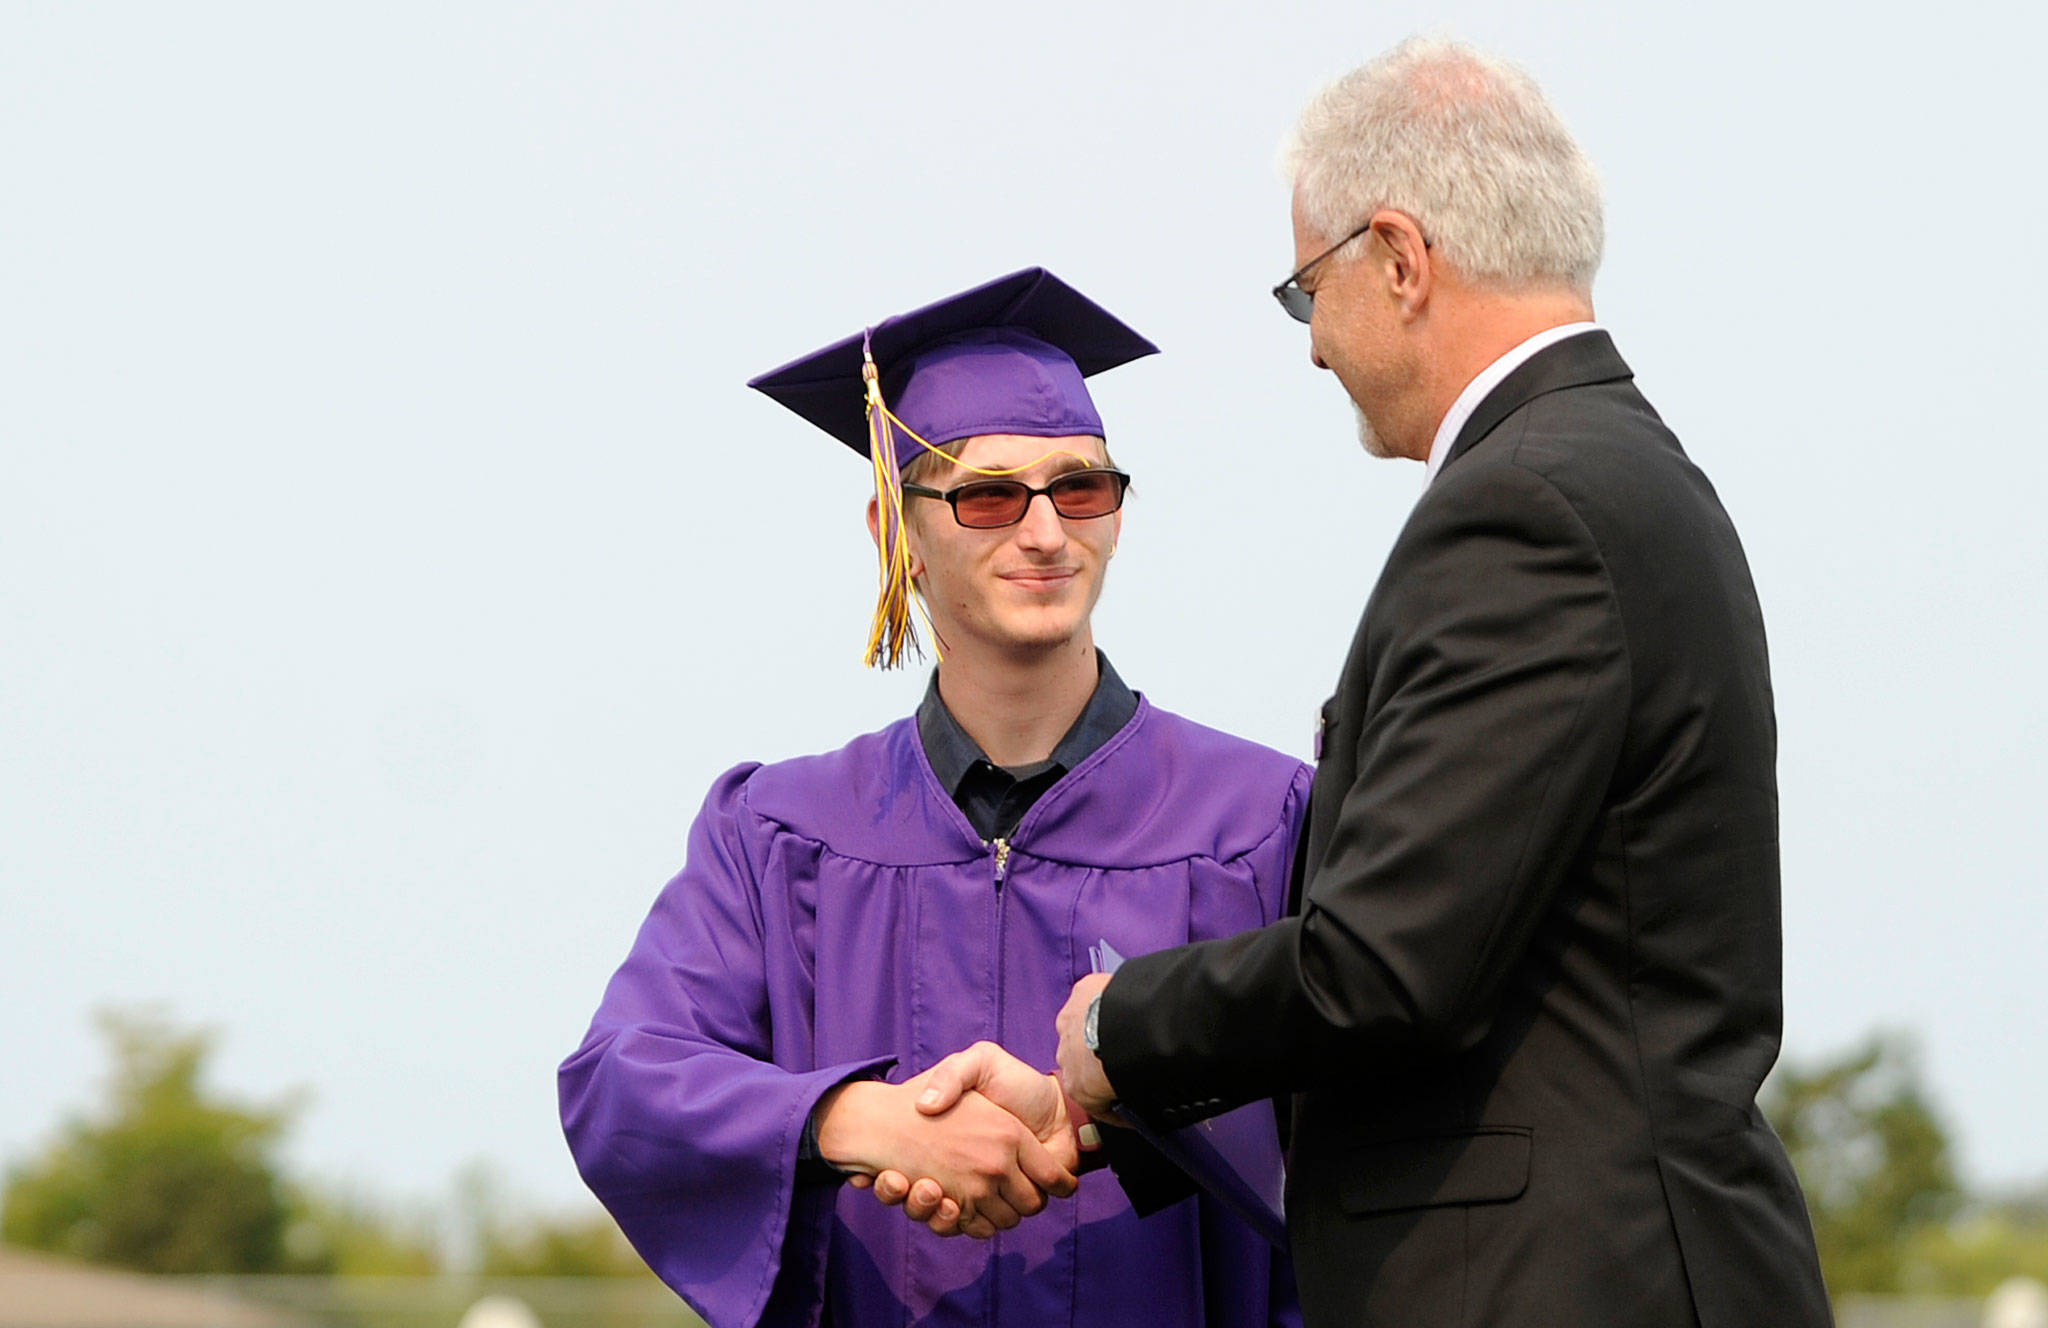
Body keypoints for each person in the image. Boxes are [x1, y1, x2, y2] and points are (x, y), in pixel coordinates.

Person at [1029, 39, 1833, 1328]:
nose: (1311, 352)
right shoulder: (1615, 471)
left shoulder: (1523, 509)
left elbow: (1388, 966)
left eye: (1306, 294)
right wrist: (1110, 1109)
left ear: (1396, 258)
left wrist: (1123, 1022)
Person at [558, 267, 1310, 1328]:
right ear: (895, 526)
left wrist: (1098, 1118)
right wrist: (856, 1119)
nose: (1045, 531)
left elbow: (1361, 1103)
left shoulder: (1264, 820)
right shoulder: (778, 835)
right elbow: (623, 1081)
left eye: (1081, 487)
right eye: (987, 493)